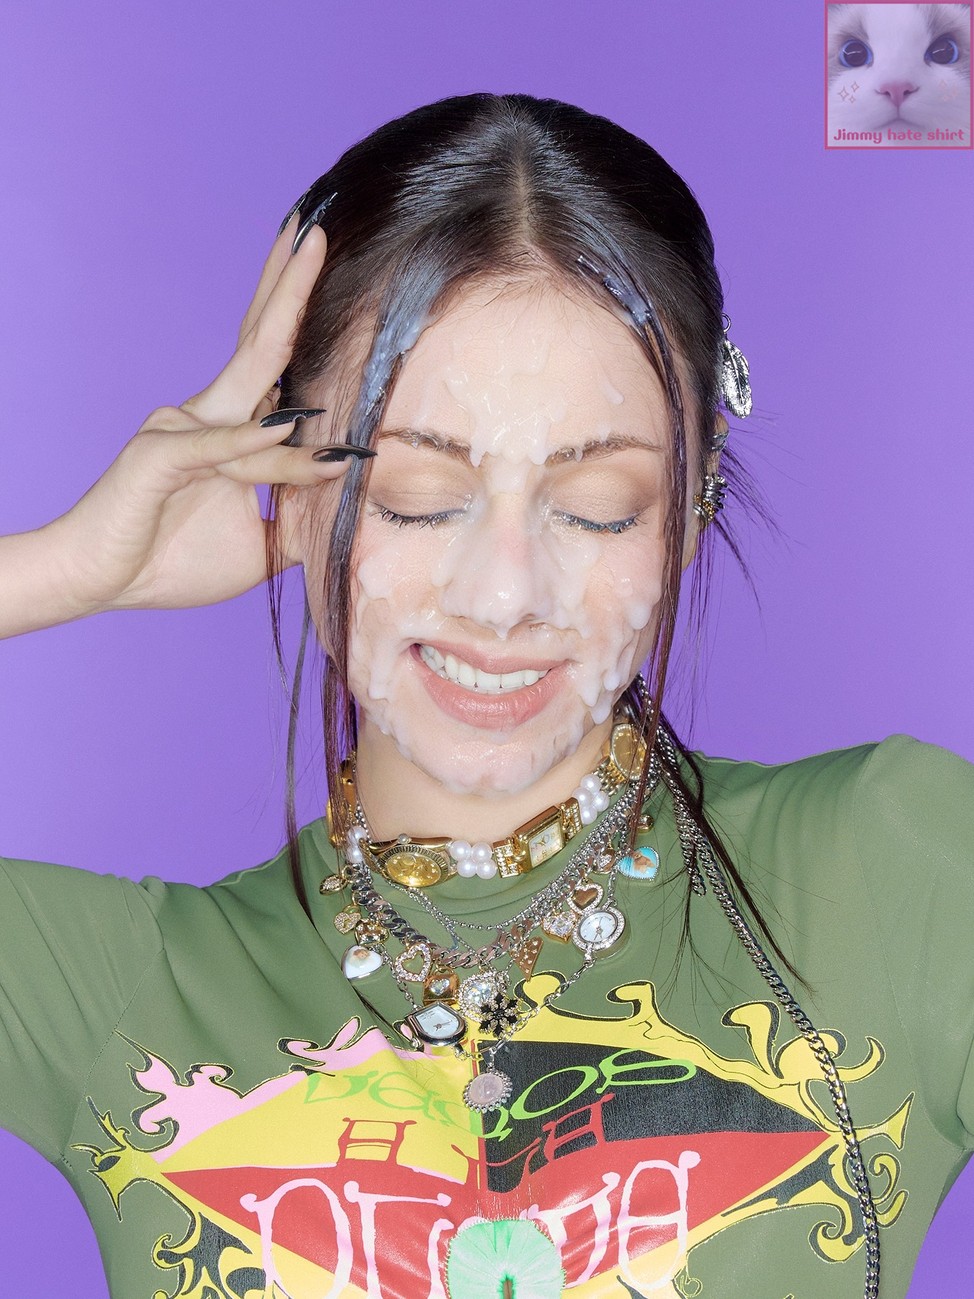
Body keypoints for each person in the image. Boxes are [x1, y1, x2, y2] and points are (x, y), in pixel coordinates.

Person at [0, 92, 970, 1299]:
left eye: (597, 508)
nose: (505, 595)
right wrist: (61, 570)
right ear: (287, 484)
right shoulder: (117, 989)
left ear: (687, 508)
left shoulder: (897, 875)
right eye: (415, 498)